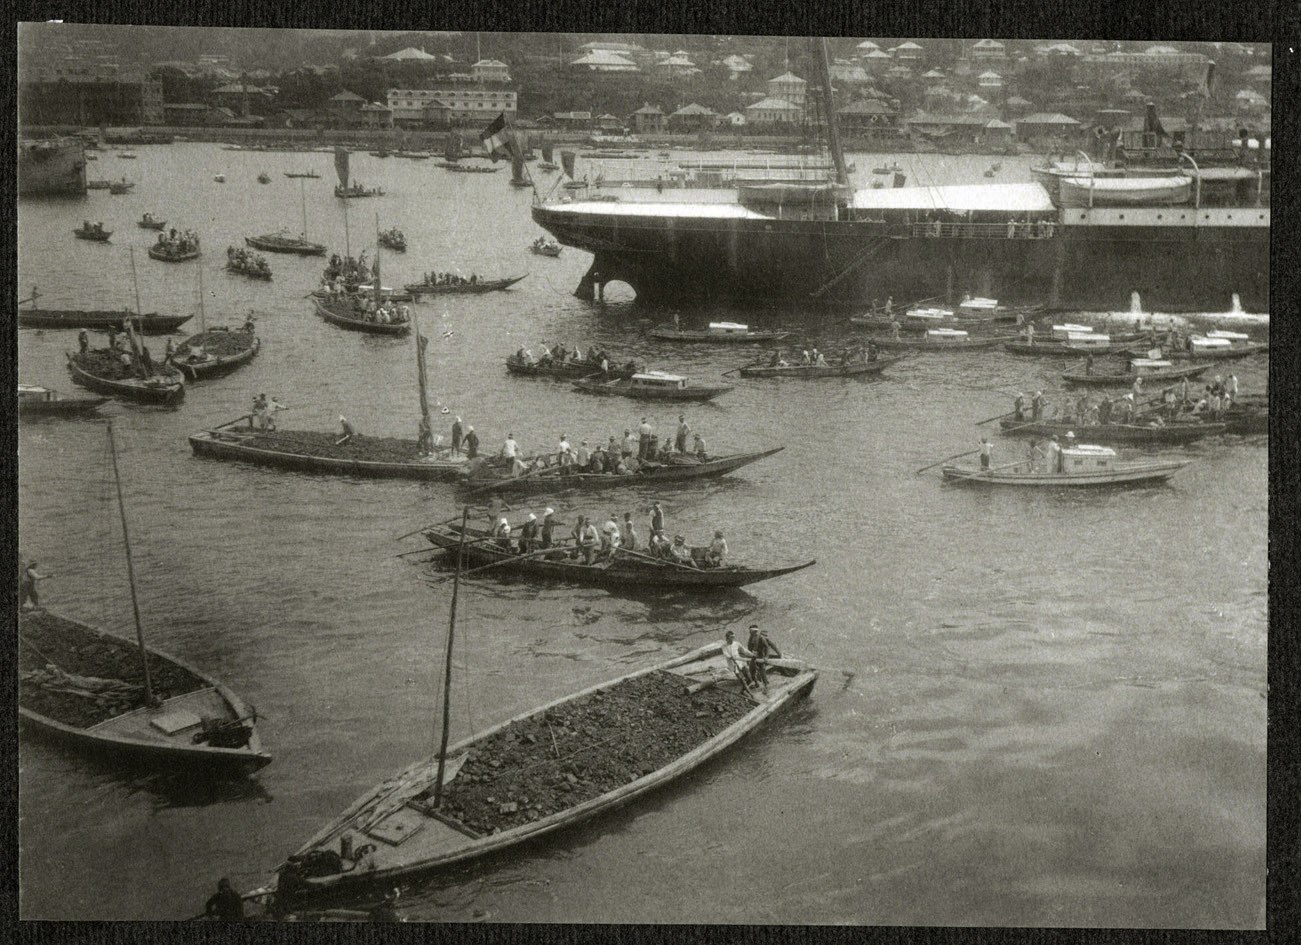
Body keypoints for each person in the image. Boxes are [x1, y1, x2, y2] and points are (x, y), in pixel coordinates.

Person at [747, 625, 781, 693]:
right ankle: (756, 683)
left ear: (754, 631)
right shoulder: (751, 637)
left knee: (762, 671)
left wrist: (766, 657)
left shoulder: (761, 638)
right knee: (752, 670)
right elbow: (749, 647)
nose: (749, 632)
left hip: (761, 657)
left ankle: (766, 686)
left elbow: (767, 648)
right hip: (753, 656)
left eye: (750, 631)